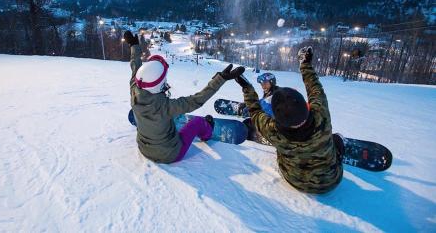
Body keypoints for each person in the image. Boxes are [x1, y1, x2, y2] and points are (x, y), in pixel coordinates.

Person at [235, 46, 344, 193]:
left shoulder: (272, 130)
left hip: (294, 181)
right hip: (332, 181)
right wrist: (305, 64)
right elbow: (315, 89)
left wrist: (246, 87)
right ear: (306, 107)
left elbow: (255, 112)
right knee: (336, 140)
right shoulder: (321, 114)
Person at [124, 30, 245, 163]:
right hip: (170, 154)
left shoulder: (134, 89)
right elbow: (197, 100)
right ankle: (207, 132)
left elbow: (135, 67)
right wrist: (220, 79)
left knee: (162, 117)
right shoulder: (168, 107)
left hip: (144, 149)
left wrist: (134, 46)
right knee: (198, 122)